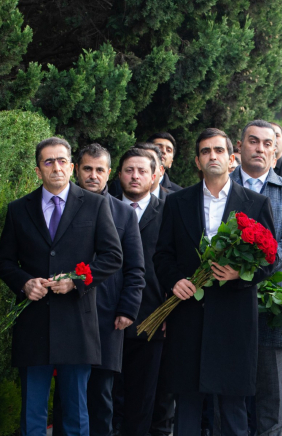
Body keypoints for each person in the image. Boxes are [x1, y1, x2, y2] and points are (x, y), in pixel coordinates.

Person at [0, 137, 123, 436]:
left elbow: (112, 256)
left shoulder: (94, 205)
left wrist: (76, 282)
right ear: (38, 170)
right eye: (48, 162)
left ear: (72, 166)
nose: (56, 167)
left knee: (77, 413)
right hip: (33, 323)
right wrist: (24, 283)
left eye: (62, 161)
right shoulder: (18, 210)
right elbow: (4, 261)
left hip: (77, 321)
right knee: (32, 413)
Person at [154, 128, 276, 436]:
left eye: (218, 151)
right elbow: (162, 256)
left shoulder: (256, 203)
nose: (212, 156)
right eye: (206, 151)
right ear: (197, 161)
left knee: (233, 404)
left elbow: (270, 260)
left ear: (231, 159)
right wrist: (175, 281)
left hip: (234, 314)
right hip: (188, 314)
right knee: (188, 403)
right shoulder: (177, 202)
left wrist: (240, 274)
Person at [64, 144, 145, 436]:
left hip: (108, 317)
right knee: (68, 396)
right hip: (69, 313)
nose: (93, 175)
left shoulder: (123, 213)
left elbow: (135, 267)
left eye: (100, 170)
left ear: (109, 173)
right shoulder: (62, 209)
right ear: (76, 170)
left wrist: (127, 309)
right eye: (87, 169)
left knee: (101, 396)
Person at [230, 120, 282, 436]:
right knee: (229, 388)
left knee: (270, 391)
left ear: (276, 151)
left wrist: (249, 270)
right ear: (240, 146)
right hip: (226, 297)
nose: (259, 148)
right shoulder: (222, 185)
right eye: (253, 141)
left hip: (272, 301)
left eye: (267, 143)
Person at [114, 147, 167, 436]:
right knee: (110, 398)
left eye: (142, 171)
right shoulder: (103, 208)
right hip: (107, 318)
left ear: (155, 175)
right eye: (129, 170)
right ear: (119, 174)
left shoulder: (170, 211)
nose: (135, 176)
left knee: (147, 400)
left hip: (153, 318)